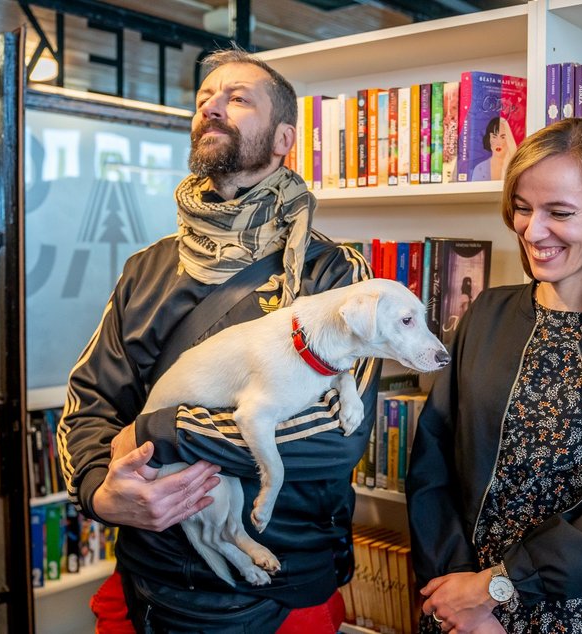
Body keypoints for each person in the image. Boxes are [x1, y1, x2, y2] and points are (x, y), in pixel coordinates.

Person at [57, 48, 379, 632]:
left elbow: (335, 433)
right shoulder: (145, 269)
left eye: (237, 98)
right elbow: (90, 404)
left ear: (284, 138)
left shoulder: (336, 276)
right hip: (147, 576)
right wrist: (99, 495)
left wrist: (164, 431)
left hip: (284, 584)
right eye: (204, 98)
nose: (212, 107)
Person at [406, 117, 582, 633]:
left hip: (580, 610)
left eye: (559, 212)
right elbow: (432, 462)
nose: (532, 230)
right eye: (521, 208)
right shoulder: (485, 315)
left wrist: (497, 586)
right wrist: (458, 593)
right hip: (460, 605)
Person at [471, 116, 518, 181]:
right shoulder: (479, 169)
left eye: (502, 137)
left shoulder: (516, 168)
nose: (498, 143)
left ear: (508, 139)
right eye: (494, 137)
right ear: (488, 139)